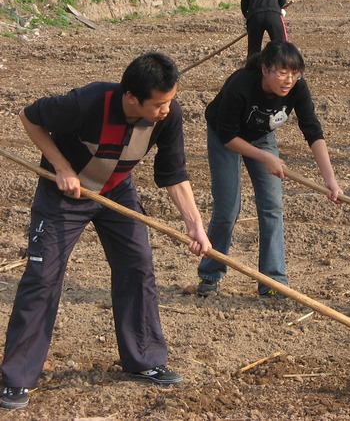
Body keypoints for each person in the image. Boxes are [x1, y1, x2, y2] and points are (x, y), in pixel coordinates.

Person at [1, 53, 211, 410]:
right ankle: (16, 378)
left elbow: (174, 174)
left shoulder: (168, 116)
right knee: (43, 276)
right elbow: (29, 117)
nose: (166, 109)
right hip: (65, 194)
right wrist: (61, 166)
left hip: (116, 189)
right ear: (132, 97)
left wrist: (195, 227)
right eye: (159, 103)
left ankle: (144, 360)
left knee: (137, 265)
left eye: (169, 100)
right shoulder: (87, 102)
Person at [196, 41, 343, 298]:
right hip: (226, 137)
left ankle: (273, 281)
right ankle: (211, 273)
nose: (288, 80)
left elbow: (313, 131)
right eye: (282, 73)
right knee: (228, 208)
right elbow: (228, 136)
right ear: (265, 70)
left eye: (294, 74)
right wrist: (265, 157)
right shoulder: (240, 84)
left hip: (262, 136)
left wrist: (330, 180)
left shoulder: (298, 88)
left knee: (272, 206)